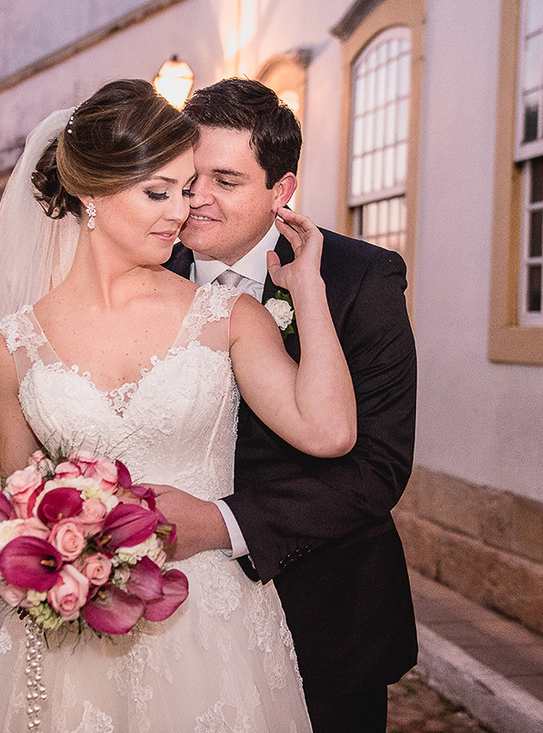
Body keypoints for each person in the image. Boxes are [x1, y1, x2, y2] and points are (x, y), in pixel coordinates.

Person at [0, 78, 356, 732]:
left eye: (185, 190)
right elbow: (12, 511)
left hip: (210, 629)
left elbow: (329, 433)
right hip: (73, 644)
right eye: (160, 190)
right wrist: (61, 565)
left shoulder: (228, 316)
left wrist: (310, 290)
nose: (181, 211)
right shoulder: (12, 345)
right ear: (93, 193)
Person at [156, 77, 419, 733]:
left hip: (323, 620)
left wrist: (222, 524)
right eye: (190, 177)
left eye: (226, 179)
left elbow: (376, 469)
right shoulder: (143, 272)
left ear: (282, 191)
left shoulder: (359, 280)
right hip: (167, 620)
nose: (197, 199)